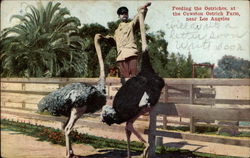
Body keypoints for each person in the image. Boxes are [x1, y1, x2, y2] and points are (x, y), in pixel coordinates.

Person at [96, 2, 151, 79]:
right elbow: (114, 43)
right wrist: (106, 38)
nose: (124, 15)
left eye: (125, 13)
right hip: (121, 56)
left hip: (131, 53)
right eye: (122, 14)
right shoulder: (116, 31)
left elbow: (139, 17)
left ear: (127, 15)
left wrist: (143, 8)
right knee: (125, 78)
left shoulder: (131, 25)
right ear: (119, 16)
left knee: (134, 77)